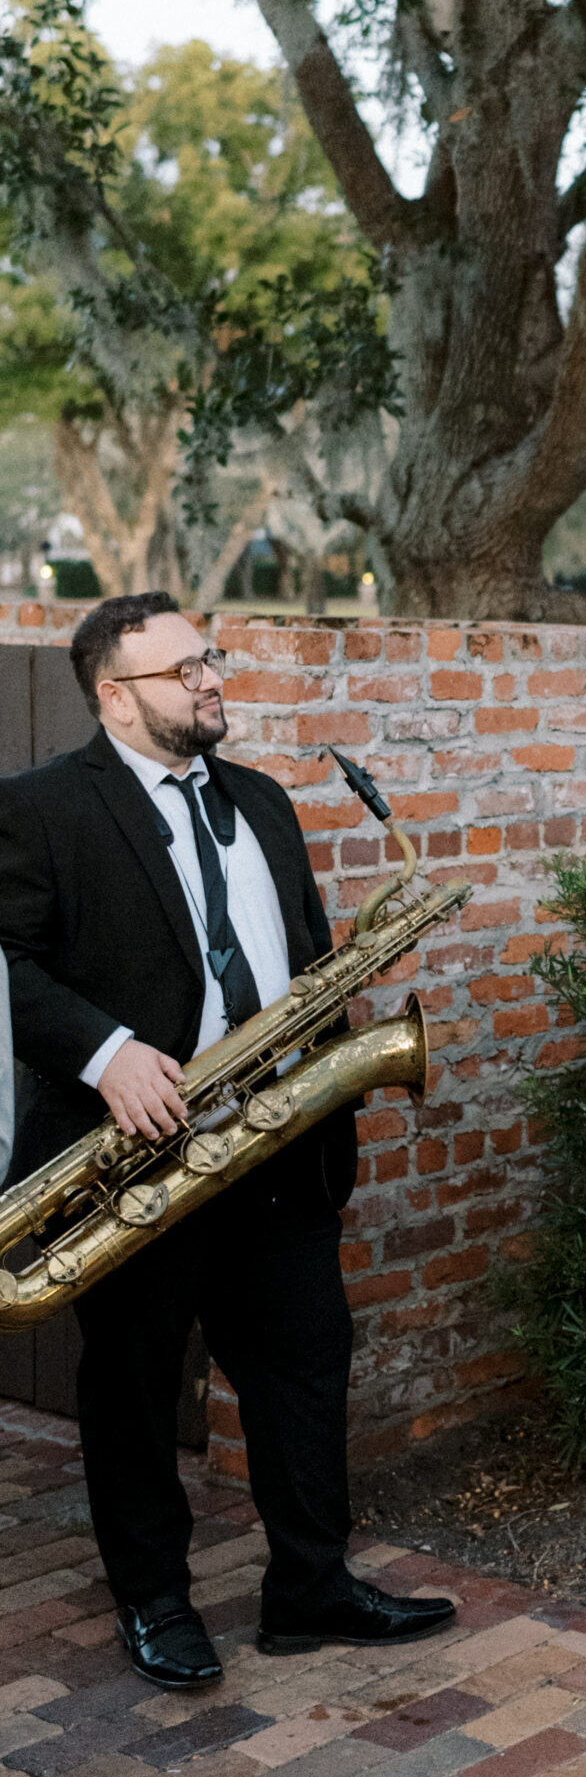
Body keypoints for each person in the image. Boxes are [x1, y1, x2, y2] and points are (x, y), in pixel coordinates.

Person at [0, 593, 455, 1691]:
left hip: (274, 1148)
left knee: (305, 1367)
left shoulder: (261, 801)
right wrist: (107, 1052)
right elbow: (6, 967)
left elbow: (293, 953)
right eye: (182, 669)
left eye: (211, 658)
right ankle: (153, 1598)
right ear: (115, 694)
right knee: (135, 1384)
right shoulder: (41, 808)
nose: (210, 679)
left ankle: (311, 1584)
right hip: (139, 1154)